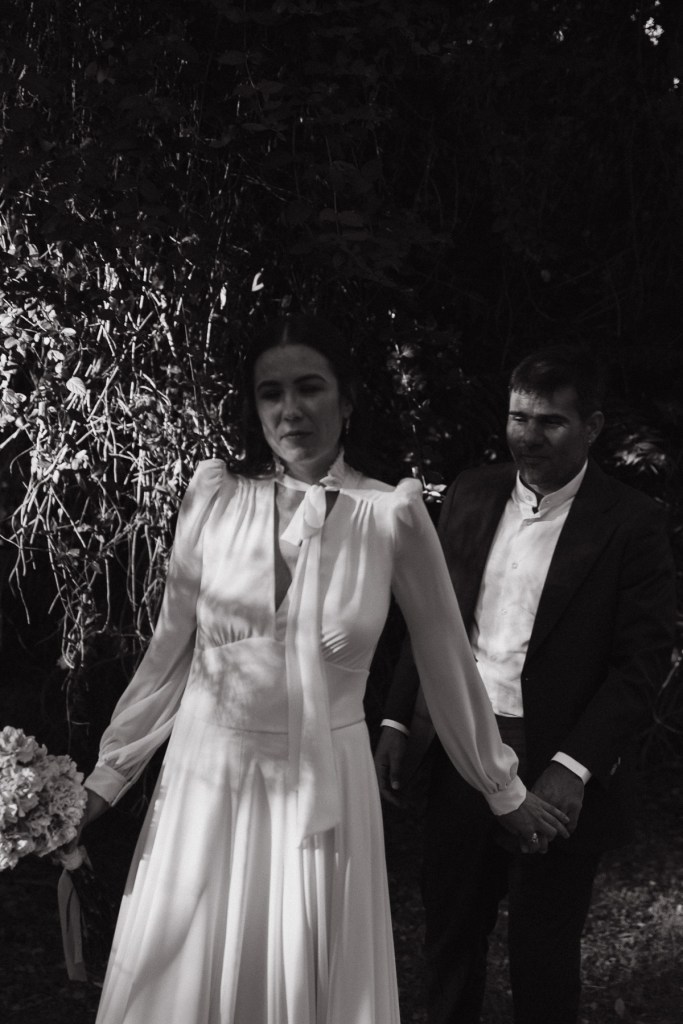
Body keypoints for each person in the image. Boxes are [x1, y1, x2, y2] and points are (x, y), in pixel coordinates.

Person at [72, 316, 568, 1024]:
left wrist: (500, 786)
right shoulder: (215, 496)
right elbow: (169, 655)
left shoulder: (390, 514)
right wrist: (105, 779)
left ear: (348, 399)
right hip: (204, 786)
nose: (290, 410)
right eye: (270, 393)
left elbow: (447, 662)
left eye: (309, 388)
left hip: (324, 790)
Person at [374, 345, 677, 1024]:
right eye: (518, 417)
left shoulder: (630, 522)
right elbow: (430, 617)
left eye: (549, 422)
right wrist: (396, 719)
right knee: (450, 938)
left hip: (556, 762)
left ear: (592, 426)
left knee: (543, 953)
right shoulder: (471, 493)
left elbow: (641, 662)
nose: (528, 436)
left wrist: (574, 766)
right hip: (460, 752)